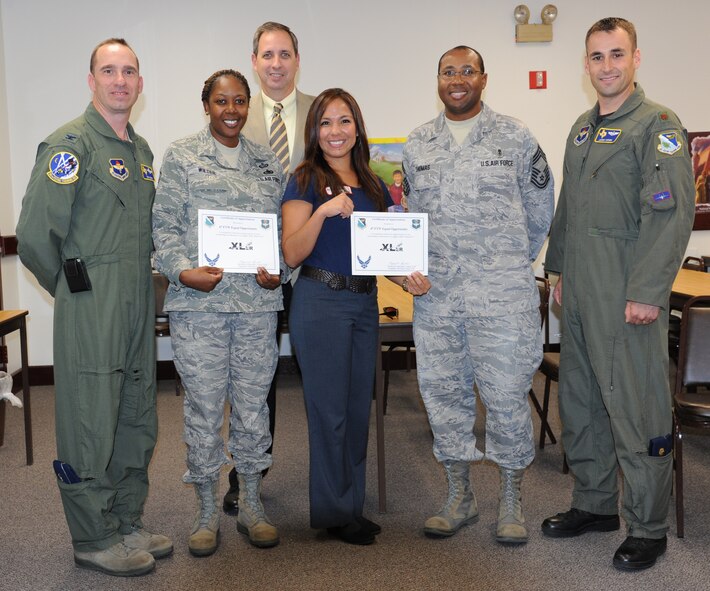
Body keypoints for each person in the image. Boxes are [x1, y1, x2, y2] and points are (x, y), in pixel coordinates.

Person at [541, 17, 695, 571]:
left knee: (636, 408)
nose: (607, 65)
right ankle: (595, 503)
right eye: (597, 56)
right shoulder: (582, 129)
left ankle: (649, 527)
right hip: (580, 291)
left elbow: (669, 212)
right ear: (586, 64)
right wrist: (555, 271)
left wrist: (649, 290)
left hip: (628, 294)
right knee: (581, 403)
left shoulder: (658, 125)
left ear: (636, 59)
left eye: (616, 54)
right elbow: (567, 209)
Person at [15, 38, 171, 577]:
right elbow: (36, 236)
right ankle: (93, 535)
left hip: (136, 305)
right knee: (90, 419)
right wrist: (76, 288)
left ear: (140, 83)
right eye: (109, 70)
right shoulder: (69, 145)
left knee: (135, 413)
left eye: (129, 71)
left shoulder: (143, 153)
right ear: (91, 80)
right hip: (91, 304)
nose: (120, 80)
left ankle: (126, 519)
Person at [402, 45, 554, 545]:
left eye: (468, 70)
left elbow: (540, 213)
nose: (458, 79)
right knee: (444, 399)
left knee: (507, 399)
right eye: (449, 71)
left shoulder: (514, 136)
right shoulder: (417, 143)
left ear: (483, 79)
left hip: (502, 301)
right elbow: (408, 223)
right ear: (438, 80)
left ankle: (511, 498)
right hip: (437, 302)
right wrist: (412, 270)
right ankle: (459, 494)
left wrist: (503, 264)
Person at [152, 69, 285, 555]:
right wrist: (183, 271)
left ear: (249, 106)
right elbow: (162, 226)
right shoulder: (182, 155)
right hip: (199, 308)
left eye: (240, 101)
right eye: (222, 101)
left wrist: (279, 270)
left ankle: (251, 502)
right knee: (204, 410)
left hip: (255, 308)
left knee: (253, 410)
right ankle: (206, 510)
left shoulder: (268, 162)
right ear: (206, 104)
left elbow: (281, 233)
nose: (232, 110)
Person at [282, 88, 410, 545]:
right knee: (329, 411)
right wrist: (322, 212)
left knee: (359, 409)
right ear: (314, 131)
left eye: (344, 121)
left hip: (363, 302)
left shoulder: (373, 183)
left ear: (357, 127)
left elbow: (377, 252)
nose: (335, 132)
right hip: (320, 302)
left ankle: (351, 505)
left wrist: (405, 274)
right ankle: (335, 512)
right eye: (325, 123)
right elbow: (292, 252)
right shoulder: (304, 180)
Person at [222, 20, 316, 514]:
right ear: (254, 60)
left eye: (284, 54)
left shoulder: (322, 112)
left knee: (317, 372)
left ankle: (329, 476)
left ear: (297, 60)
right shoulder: (235, 112)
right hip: (251, 271)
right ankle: (248, 473)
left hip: (310, 267)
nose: (276, 63)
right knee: (253, 377)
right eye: (267, 55)